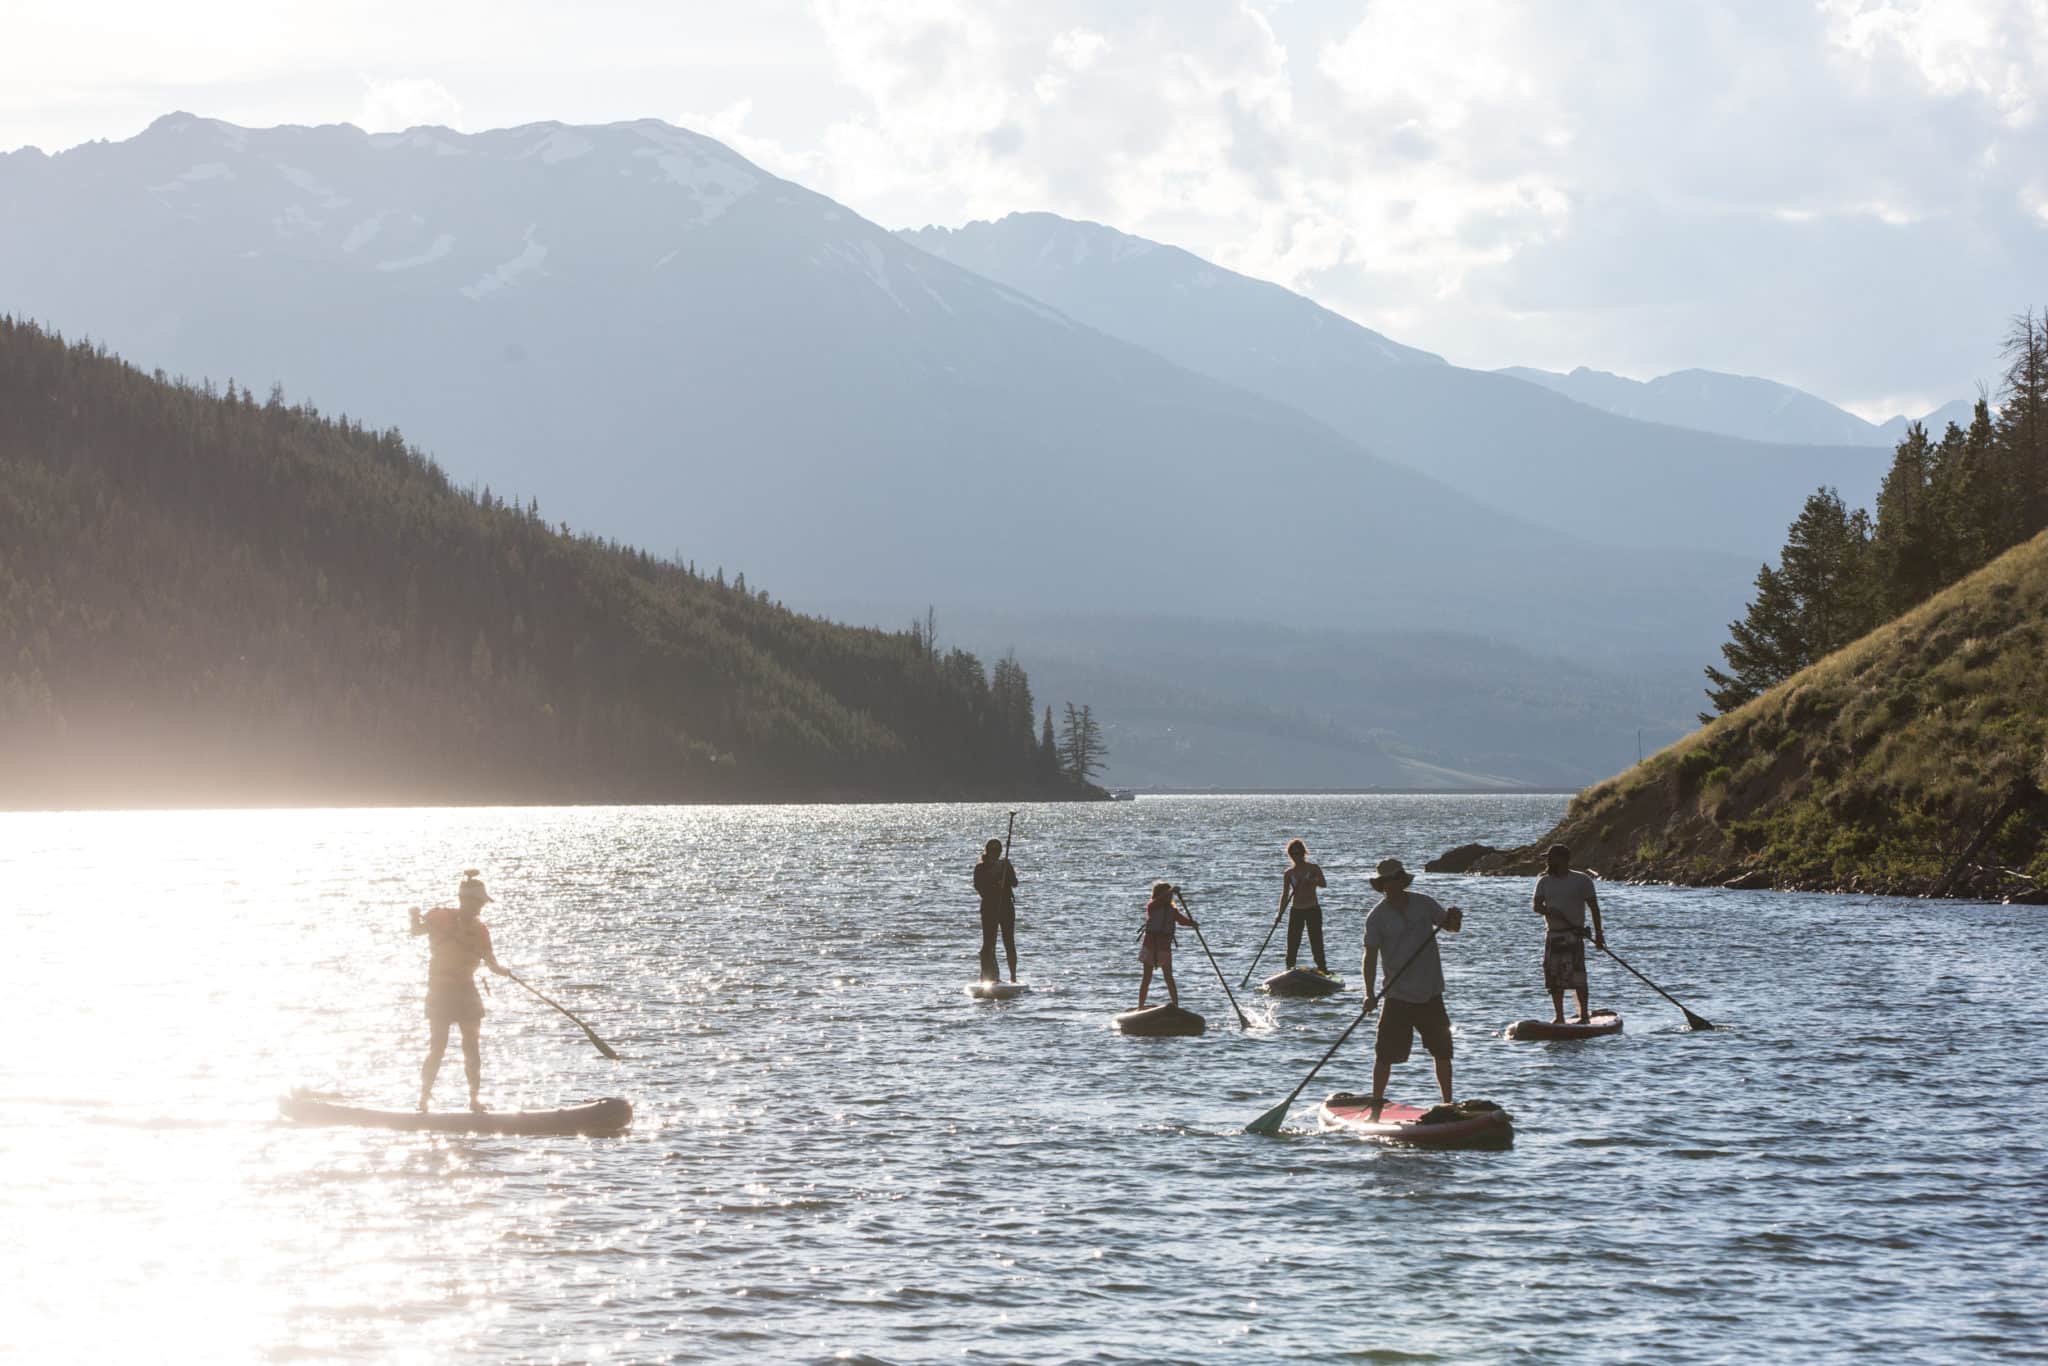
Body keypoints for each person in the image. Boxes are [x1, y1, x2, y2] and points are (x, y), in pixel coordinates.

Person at [1360, 858, 1464, 1121]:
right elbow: (1370, 957)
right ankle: (1376, 1103)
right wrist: (1369, 994)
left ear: (1401, 880)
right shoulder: (1377, 917)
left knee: (1442, 1051)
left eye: (1395, 879)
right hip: (1397, 996)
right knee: (1384, 1054)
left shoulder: (1424, 903)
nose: (1391, 885)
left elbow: (1451, 927)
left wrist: (1455, 918)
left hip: (1430, 993)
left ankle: (1448, 1102)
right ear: (1382, 885)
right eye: (1386, 882)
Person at [409, 869, 511, 1113]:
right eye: (478, 903)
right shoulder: (440, 919)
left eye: (482, 905)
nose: (480, 909)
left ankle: (474, 1100)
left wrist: (502, 971)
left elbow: (491, 962)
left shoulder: (481, 930)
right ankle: (423, 1099)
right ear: (466, 901)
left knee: (472, 1047)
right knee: (438, 1046)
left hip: (467, 989)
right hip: (440, 990)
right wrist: (413, 917)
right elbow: (416, 932)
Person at [1533, 843, 1605, 1023]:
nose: (1548, 862)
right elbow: (1536, 906)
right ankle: (1559, 1017)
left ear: (1562, 860)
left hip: (1575, 935)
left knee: (1578, 977)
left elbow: (1594, 908)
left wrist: (1598, 934)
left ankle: (1584, 1017)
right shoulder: (1544, 881)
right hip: (1554, 936)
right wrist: (1550, 911)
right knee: (1554, 979)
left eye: (1551, 858)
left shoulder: (1582, 880)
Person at [1138, 880, 1196, 1008]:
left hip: (1164, 948)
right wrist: (1170, 890)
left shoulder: (1172, 910)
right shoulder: (1152, 906)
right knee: (1146, 978)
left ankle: (1175, 1005)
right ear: (1159, 895)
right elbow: (1157, 902)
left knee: (1169, 978)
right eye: (1166, 894)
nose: (1169, 897)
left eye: (1170, 895)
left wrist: (1192, 923)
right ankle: (1140, 1006)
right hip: (1150, 946)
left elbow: (1182, 920)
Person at [1279, 838, 1330, 974]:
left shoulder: (1313, 868)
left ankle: (1323, 969)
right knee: (1292, 943)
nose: (1297, 857)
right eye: (1293, 854)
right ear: (1290, 855)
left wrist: (1313, 880)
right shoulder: (1288, 873)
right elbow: (1285, 894)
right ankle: (1289, 969)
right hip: (1296, 910)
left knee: (1316, 942)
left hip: (1312, 909)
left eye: (1299, 853)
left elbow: (1323, 884)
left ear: (1303, 853)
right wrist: (1279, 914)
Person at [972, 838, 1020, 983]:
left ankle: (1013, 977)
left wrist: (1007, 870)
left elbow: (1014, 883)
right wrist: (994, 877)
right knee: (988, 944)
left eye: (998, 851)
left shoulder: (1005, 865)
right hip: (989, 908)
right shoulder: (980, 868)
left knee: (1009, 942)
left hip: (1006, 908)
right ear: (987, 851)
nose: (996, 853)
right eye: (993, 851)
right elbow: (980, 887)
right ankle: (988, 975)